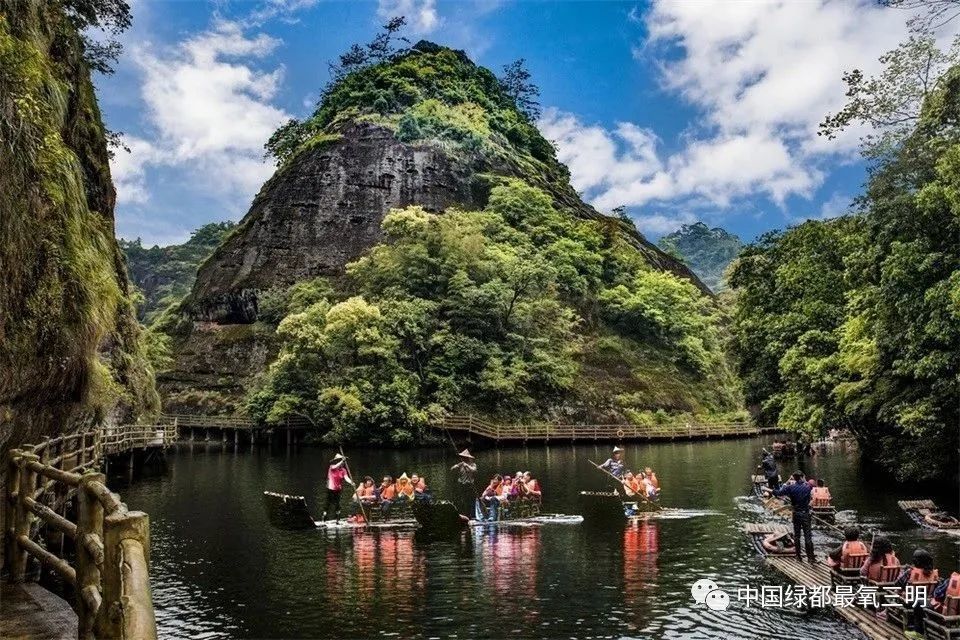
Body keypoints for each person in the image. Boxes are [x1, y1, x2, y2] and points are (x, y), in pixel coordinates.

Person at [767, 471, 814, 563]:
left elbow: (779, 493)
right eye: (804, 477)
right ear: (801, 477)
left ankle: (798, 557)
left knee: (797, 536)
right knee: (808, 536)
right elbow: (812, 490)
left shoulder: (790, 487)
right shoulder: (808, 487)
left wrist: (769, 490)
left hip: (796, 514)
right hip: (805, 514)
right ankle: (811, 558)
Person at [322, 453, 354, 522]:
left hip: (338, 489)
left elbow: (346, 478)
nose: (343, 463)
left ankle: (337, 518)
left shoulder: (343, 470)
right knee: (328, 503)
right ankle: (324, 516)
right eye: (341, 462)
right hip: (330, 488)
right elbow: (336, 466)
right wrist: (342, 460)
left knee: (337, 503)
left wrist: (351, 482)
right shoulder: (332, 467)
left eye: (343, 462)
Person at [450, 449, 477, 515]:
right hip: (461, 484)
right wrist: (455, 467)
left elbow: (474, 470)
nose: (463, 458)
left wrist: (467, 466)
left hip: (469, 484)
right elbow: (452, 469)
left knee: (471, 500)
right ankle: (463, 513)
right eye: (462, 457)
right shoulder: (460, 464)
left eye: (464, 457)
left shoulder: (473, 464)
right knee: (462, 500)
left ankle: (472, 514)